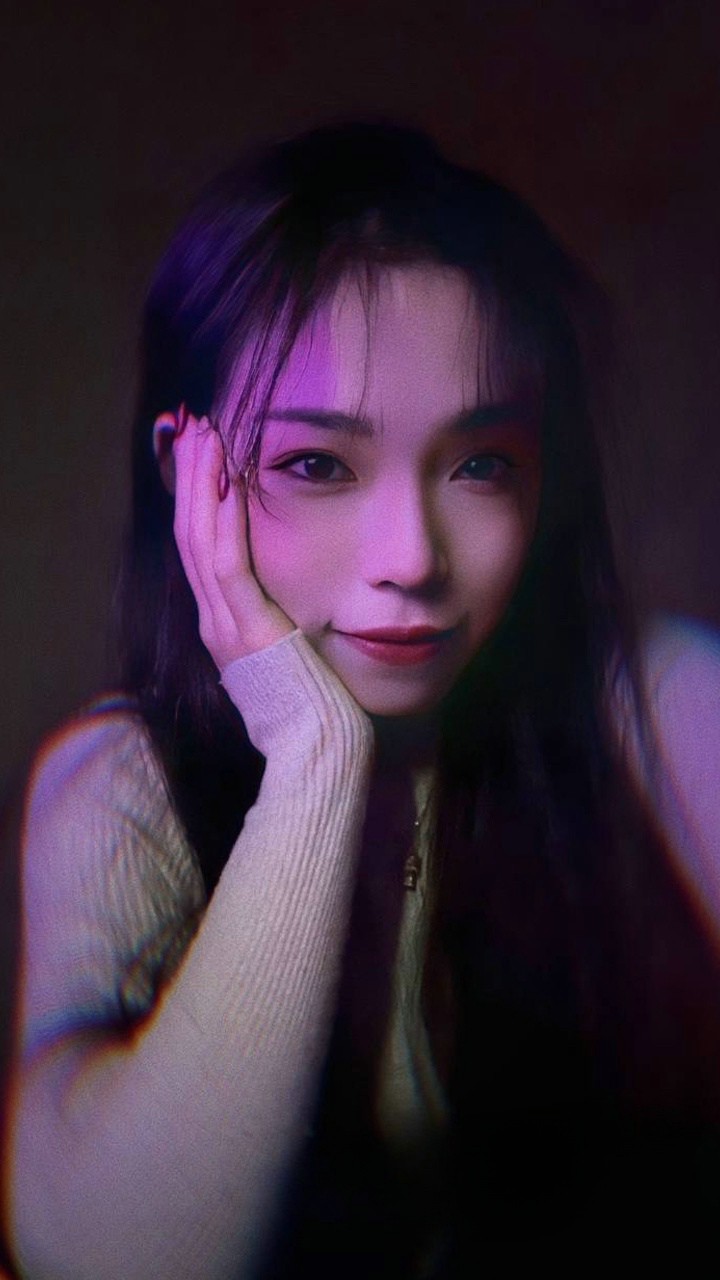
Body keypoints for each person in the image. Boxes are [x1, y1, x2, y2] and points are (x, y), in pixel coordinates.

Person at [4, 121, 720, 1279]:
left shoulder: (647, 695)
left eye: (480, 463)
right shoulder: (120, 784)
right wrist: (312, 752)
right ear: (189, 480)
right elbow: (112, 1259)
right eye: (317, 464)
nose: (411, 557)